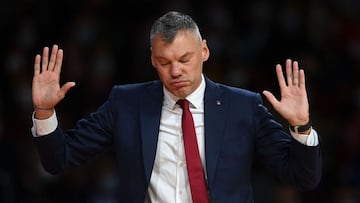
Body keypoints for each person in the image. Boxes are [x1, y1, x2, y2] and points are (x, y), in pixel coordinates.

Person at [31, 11, 321, 203]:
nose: (176, 71)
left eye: (184, 59)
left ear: (204, 51)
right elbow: (59, 159)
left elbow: (303, 177)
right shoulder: (126, 104)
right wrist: (44, 112)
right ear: (152, 60)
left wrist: (301, 126)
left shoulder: (243, 106)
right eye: (165, 62)